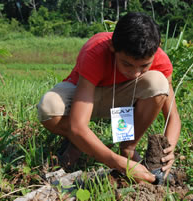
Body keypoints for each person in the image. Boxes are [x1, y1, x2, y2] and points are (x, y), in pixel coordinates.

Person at [37, 12, 181, 183]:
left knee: (159, 82)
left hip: (122, 96)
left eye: (144, 66)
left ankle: (128, 147)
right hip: (84, 96)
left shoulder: (160, 59)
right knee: (49, 108)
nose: (135, 73)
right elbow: (77, 124)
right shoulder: (95, 50)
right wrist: (117, 163)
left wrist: (167, 151)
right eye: (127, 64)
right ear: (113, 48)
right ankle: (78, 143)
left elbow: (173, 117)